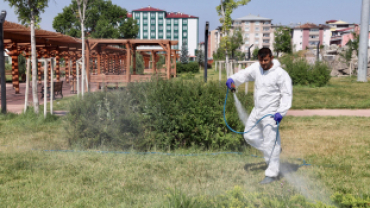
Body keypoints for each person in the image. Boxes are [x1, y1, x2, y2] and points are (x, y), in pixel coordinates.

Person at [226, 48, 293, 184]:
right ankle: (274, 149)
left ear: (271, 57)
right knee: (248, 135)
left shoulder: (280, 74)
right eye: (260, 60)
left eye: (266, 60)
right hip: (257, 111)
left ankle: (272, 173)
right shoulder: (257, 68)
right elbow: (244, 74)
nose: (263, 63)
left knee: (270, 142)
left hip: (271, 113)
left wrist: (281, 111)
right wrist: (232, 79)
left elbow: (287, 94)